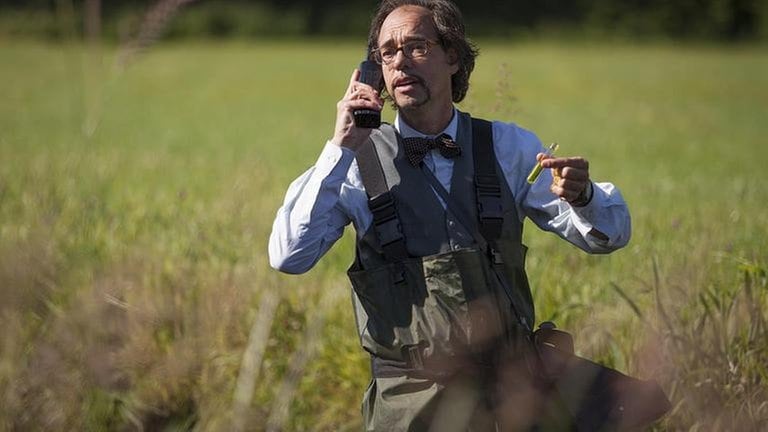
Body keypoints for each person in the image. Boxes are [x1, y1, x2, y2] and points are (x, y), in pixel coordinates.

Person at [269, 0, 631, 430]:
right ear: (374, 70)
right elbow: (289, 256)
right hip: (410, 404)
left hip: (512, 396)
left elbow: (608, 236)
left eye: (417, 46)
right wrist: (340, 147)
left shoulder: (508, 146)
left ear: (453, 56)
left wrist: (583, 195)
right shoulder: (352, 163)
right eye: (387, 52)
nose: (400, 61)